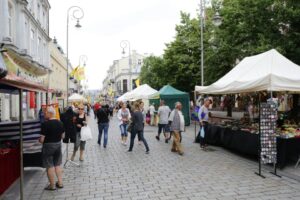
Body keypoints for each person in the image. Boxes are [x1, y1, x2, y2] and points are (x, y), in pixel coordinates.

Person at [39, 107, 65, 190]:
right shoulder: (60, 122)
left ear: (50, 114)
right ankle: (60, 183)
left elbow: (42, 140)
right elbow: (63, 136)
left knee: (49, 165)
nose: (44, 114)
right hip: (58, 145)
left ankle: (52, 185)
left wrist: (39, 140)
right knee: (57, 164)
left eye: (46, 113)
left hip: (48, 146)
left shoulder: (45, 124)